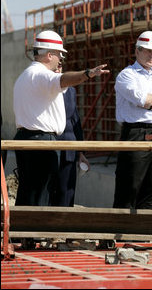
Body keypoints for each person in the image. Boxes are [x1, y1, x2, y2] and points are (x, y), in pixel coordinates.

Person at [13, 30, 109, 207]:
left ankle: (22, 233)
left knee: (29, 191)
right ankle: (33, 233)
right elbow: (63, 79)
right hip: (41, 143)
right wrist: (88, 73)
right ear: (50, 55)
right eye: (59, 56)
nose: (61, 60)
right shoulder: (41, 75)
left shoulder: (26, 75)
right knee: (40, 194)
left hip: (28, 140)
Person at [113, 31, 152, 209]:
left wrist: (148, 104)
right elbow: (142, 100)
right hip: (136, 132)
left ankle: (142, 232)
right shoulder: (127, 75)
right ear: (137, 51)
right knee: (129, 187)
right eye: (148, 51)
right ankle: (121, 233)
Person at [54, 65, 90, 207]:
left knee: (66, 192)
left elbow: (75, 120)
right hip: (48, 144)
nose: (58, 68)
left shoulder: (70, 91)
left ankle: (63, 225)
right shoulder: (41, 88)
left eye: (60, 65)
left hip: (69, 146)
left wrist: (80, 152)